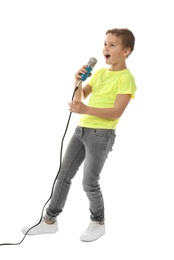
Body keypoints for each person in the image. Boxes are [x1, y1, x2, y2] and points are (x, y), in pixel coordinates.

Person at [22, 28, 137, 242]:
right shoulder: (101, 73)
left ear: (126, 51)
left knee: (89, 182)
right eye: (105, 44)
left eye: (112, 45)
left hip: (101, 135)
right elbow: (81, 97)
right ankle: (49, 221)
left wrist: (86, 109)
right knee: (63, 176)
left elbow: (116, 112)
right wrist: (77, 81)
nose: (106, 48)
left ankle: (98, 222)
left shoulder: (126, 79)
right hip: (81, 130)